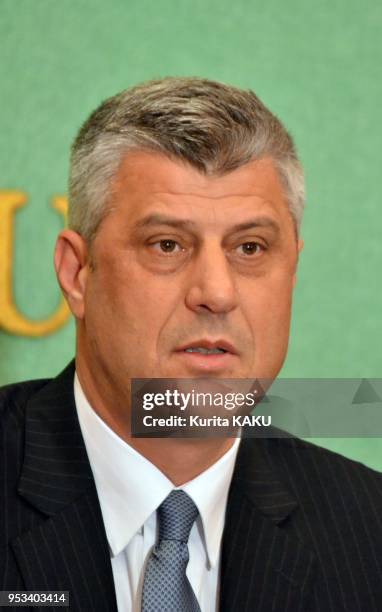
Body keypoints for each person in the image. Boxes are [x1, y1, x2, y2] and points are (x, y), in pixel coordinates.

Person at [1, 77, 381, 612]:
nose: (216, 293)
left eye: (250, 247)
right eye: (167, 244)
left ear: (292, 270)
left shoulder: (368, 531)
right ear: (77, 273)